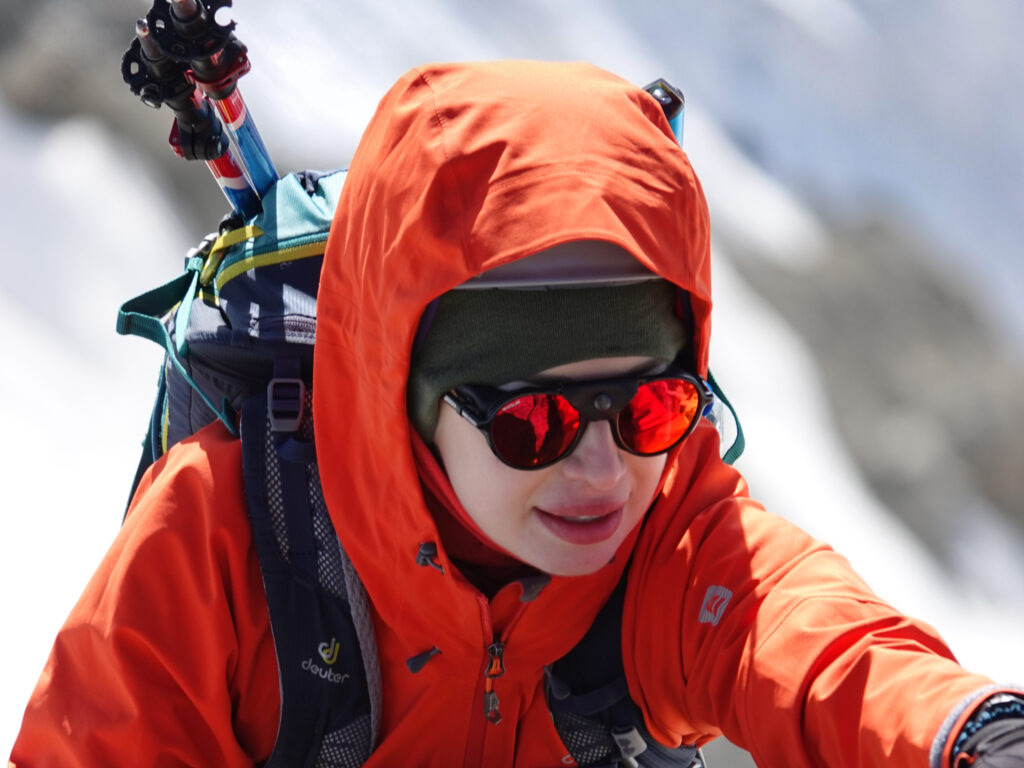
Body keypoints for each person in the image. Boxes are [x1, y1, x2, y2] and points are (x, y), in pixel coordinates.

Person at [9, 60, 1024, 768]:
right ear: (398, 393)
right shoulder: (227, 533)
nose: (599, 471)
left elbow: (821, 651)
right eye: (530, 423)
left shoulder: (666, 531)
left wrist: (966, 733)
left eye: (653, 404)